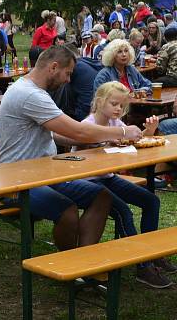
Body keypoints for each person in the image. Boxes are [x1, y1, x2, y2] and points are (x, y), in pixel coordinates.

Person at [0, 44, 143, 255]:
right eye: (68, 73)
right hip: (17, 180)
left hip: (44, 173)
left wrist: (97, 141)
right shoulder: (30, 95)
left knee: (102, 195)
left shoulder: (33, 90)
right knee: (67, 210)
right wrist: (121, 133)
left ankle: (84, 260)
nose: (68, 80)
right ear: (54, 67)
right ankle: (71, 264)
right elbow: (79, 132)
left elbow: (54, 133)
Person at [75, 81, 176, 287]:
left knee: (151, 201)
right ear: (99, 101)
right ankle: (143, 266)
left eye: (122, 106)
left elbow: (135, 144)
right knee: (124, 212)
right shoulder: (88, 124)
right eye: (114, 104)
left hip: (107, 178)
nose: (118, 109)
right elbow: (86, 148)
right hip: (88, 182)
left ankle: (152, 252)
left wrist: (149, 131)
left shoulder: (116, 124)